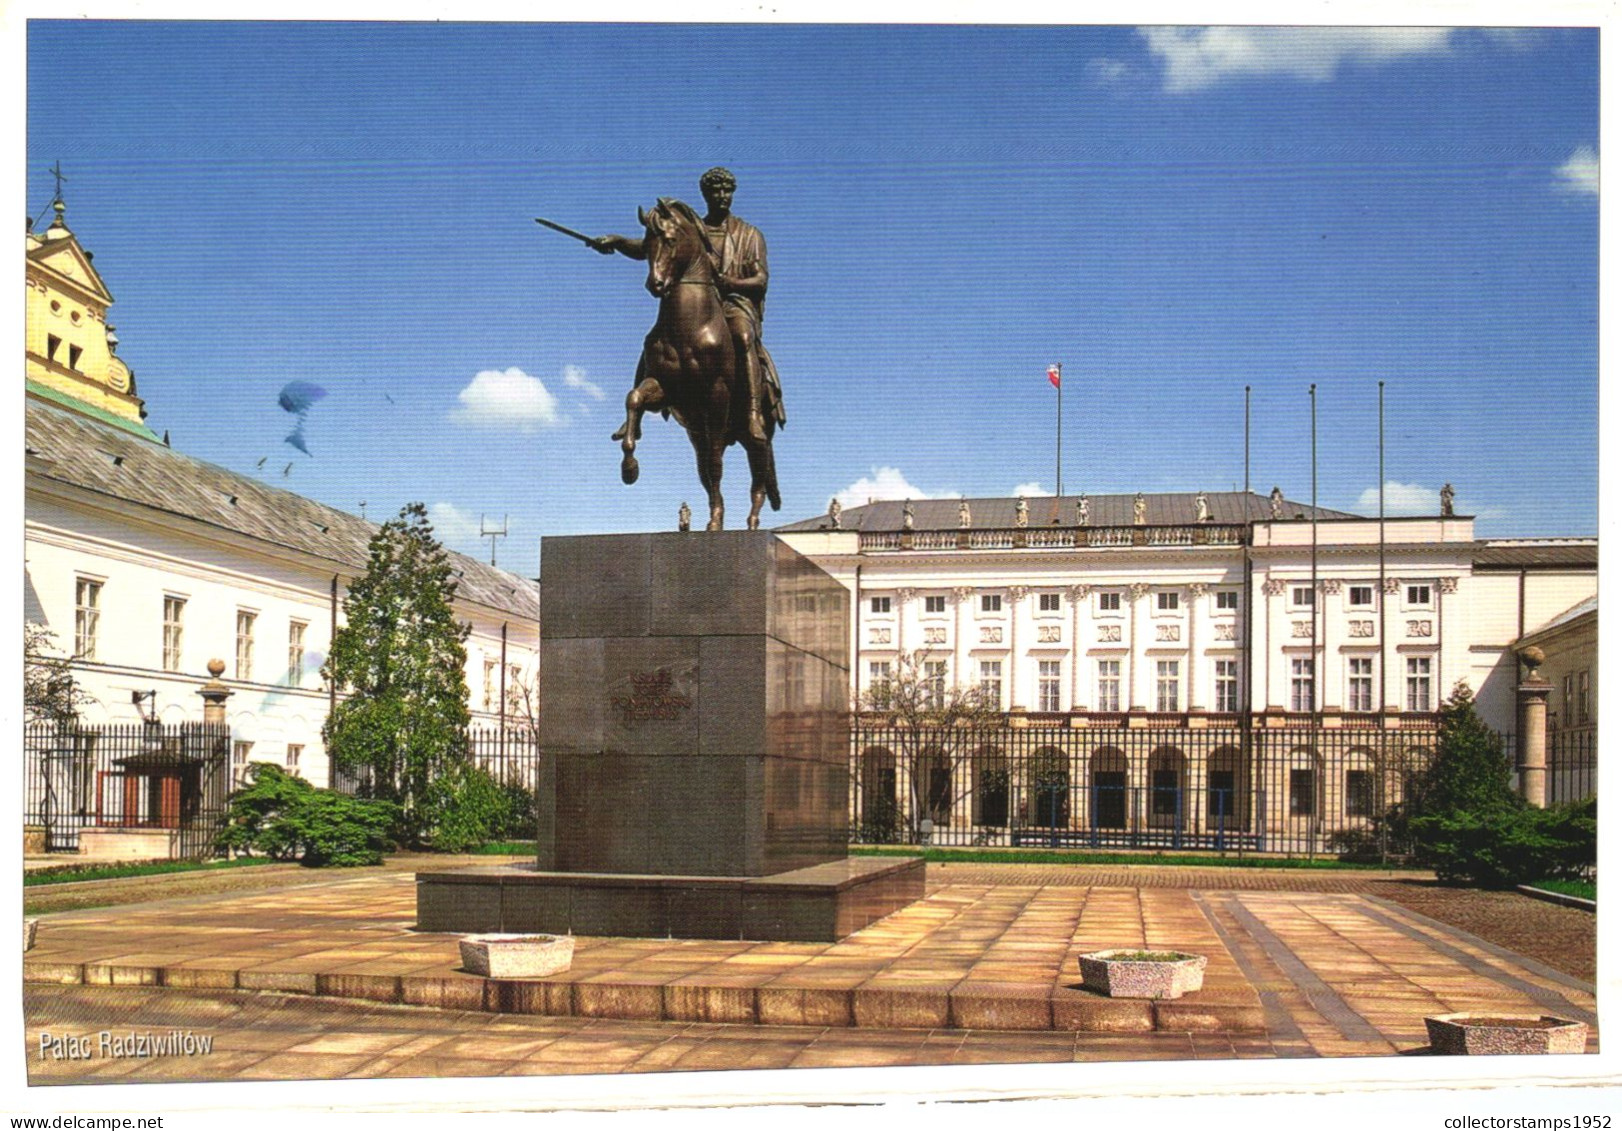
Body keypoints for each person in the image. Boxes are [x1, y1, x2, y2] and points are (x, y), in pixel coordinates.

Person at [592, 167, 782, 442]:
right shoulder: (690, 230)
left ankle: (753, 412)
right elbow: (650, 246)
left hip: (733, 304)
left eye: (726, 190)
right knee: (656, 339)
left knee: (742, 335)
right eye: (715, 190)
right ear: (704, 195)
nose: (721, 195)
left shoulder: (750, 235)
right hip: (699, 307)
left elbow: (760, 280)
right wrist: (617, 241)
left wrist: (730, 283)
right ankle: (632, 417)